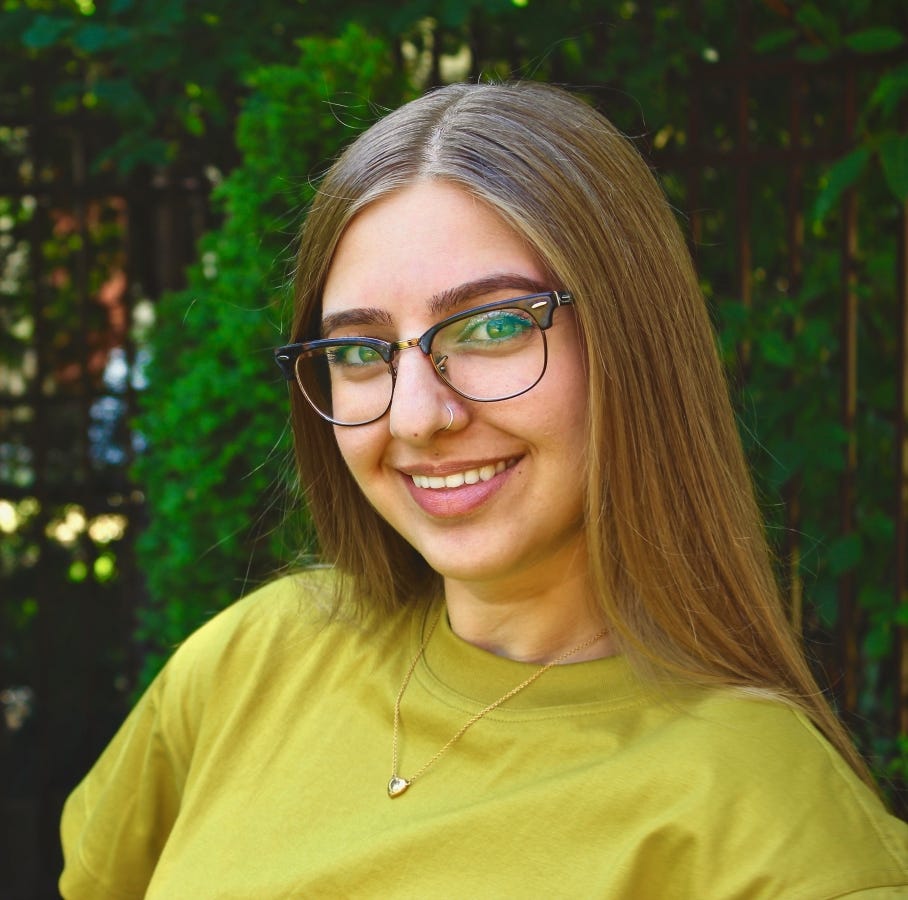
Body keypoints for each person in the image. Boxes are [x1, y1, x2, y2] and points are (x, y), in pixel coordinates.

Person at [60, 81, 907, 898]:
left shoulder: (777, 832)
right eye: (361, 350)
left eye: (494, 327)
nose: (418, 418)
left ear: (631, 339)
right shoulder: (253, 659)